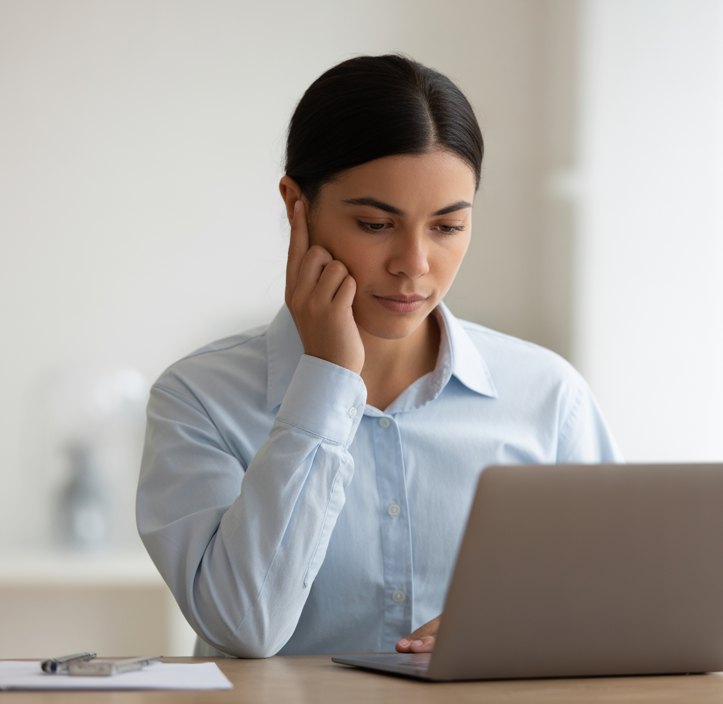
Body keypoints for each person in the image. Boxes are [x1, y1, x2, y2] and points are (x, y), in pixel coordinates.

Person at [136, 54, 619, 659]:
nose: (414, 264)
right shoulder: (199, 400)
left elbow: (616, 606)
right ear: (297, 208)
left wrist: (531, 627)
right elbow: (242, 626)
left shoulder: (548, 396)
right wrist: (326, 382)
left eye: (446, 227)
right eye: (374, 224)